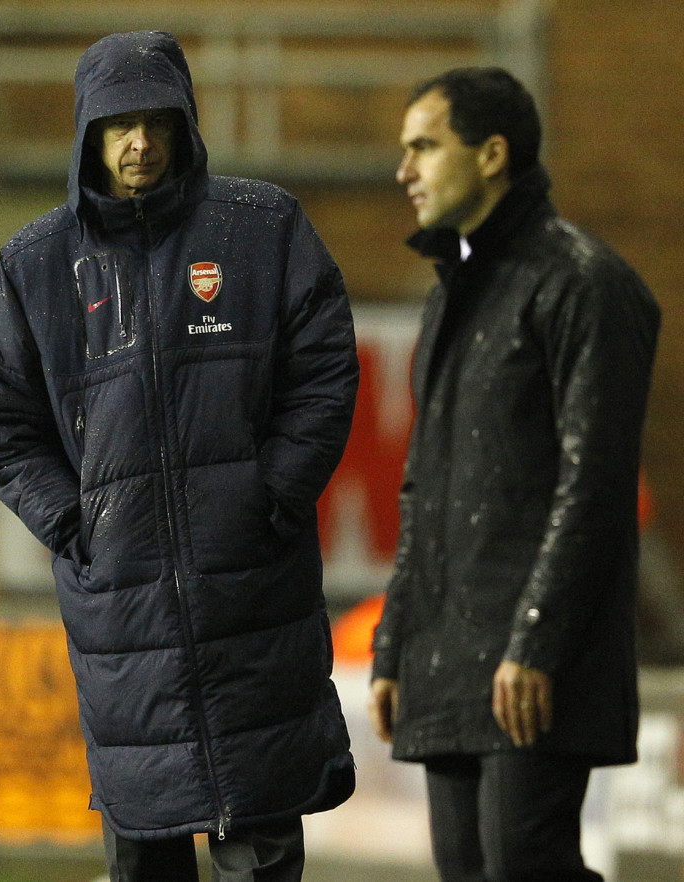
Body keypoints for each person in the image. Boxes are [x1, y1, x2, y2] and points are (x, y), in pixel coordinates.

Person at [0, 30, 358, 882]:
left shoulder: (263, 230)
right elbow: (0, 420)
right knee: (143, 859)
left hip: (253, 603)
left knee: (259, 852)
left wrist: (273, 496)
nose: (138, 143)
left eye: (155, 121)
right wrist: (75, 525)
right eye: (117, 126)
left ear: (185, 125)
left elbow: (325, 373)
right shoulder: (34, 268)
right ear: (87, 137)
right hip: (122, 624)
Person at [368, 67, 660, 882]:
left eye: (425, 146)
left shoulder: (587, 285)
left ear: (492, 154)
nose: (405, 172)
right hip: (445, 652)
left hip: (534, 661)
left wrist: (536, 639)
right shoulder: (449, 297)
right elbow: (422, 489)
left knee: (524, 866)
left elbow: (595, 484)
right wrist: (395, 643)